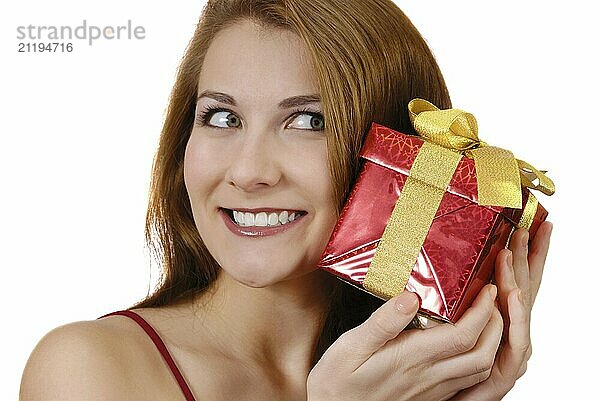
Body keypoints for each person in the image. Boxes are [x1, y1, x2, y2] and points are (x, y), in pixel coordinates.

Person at [19, 0, 553, 400]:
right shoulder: (89, 370)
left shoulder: (410, 388)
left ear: (403, 159)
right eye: (222, 118)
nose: (249, 172)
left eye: (308, 121)